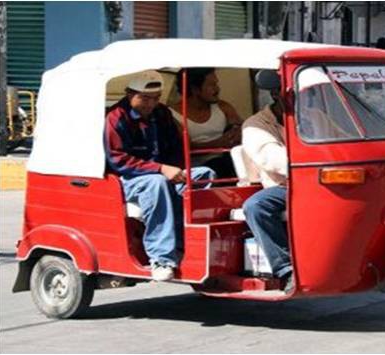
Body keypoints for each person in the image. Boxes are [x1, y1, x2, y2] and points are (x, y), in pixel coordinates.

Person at [105, 70, 215, 281]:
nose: (150, 104)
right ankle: (161, 258)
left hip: (164, 173)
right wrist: (161, 169)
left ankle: (187, 244)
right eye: (144, 98)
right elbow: (118, 160)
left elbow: (175, 148)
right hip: (130, 178)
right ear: (130, 94)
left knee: (205, 174)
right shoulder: (116, 118)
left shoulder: (161, 114)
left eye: (155, 98)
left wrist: (178, 170)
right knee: (156, 184)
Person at [241, 70, 293, 293]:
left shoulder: (315, 116)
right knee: (256, 206)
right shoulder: (255, 125)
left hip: (319, 180)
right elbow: (274, 160)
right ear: (275, 95)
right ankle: (286, 268)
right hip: (284, 186)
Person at [171, 68, 243, 177]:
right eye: (211, 85)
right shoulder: (172, 114)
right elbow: (183, 147)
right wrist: (218, 143)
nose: (217, 89)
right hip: (197, 169)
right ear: (195, 89)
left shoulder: (223, 107)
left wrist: (237, 132)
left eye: (216, 84)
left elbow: (239, 127)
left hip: (227, 159)